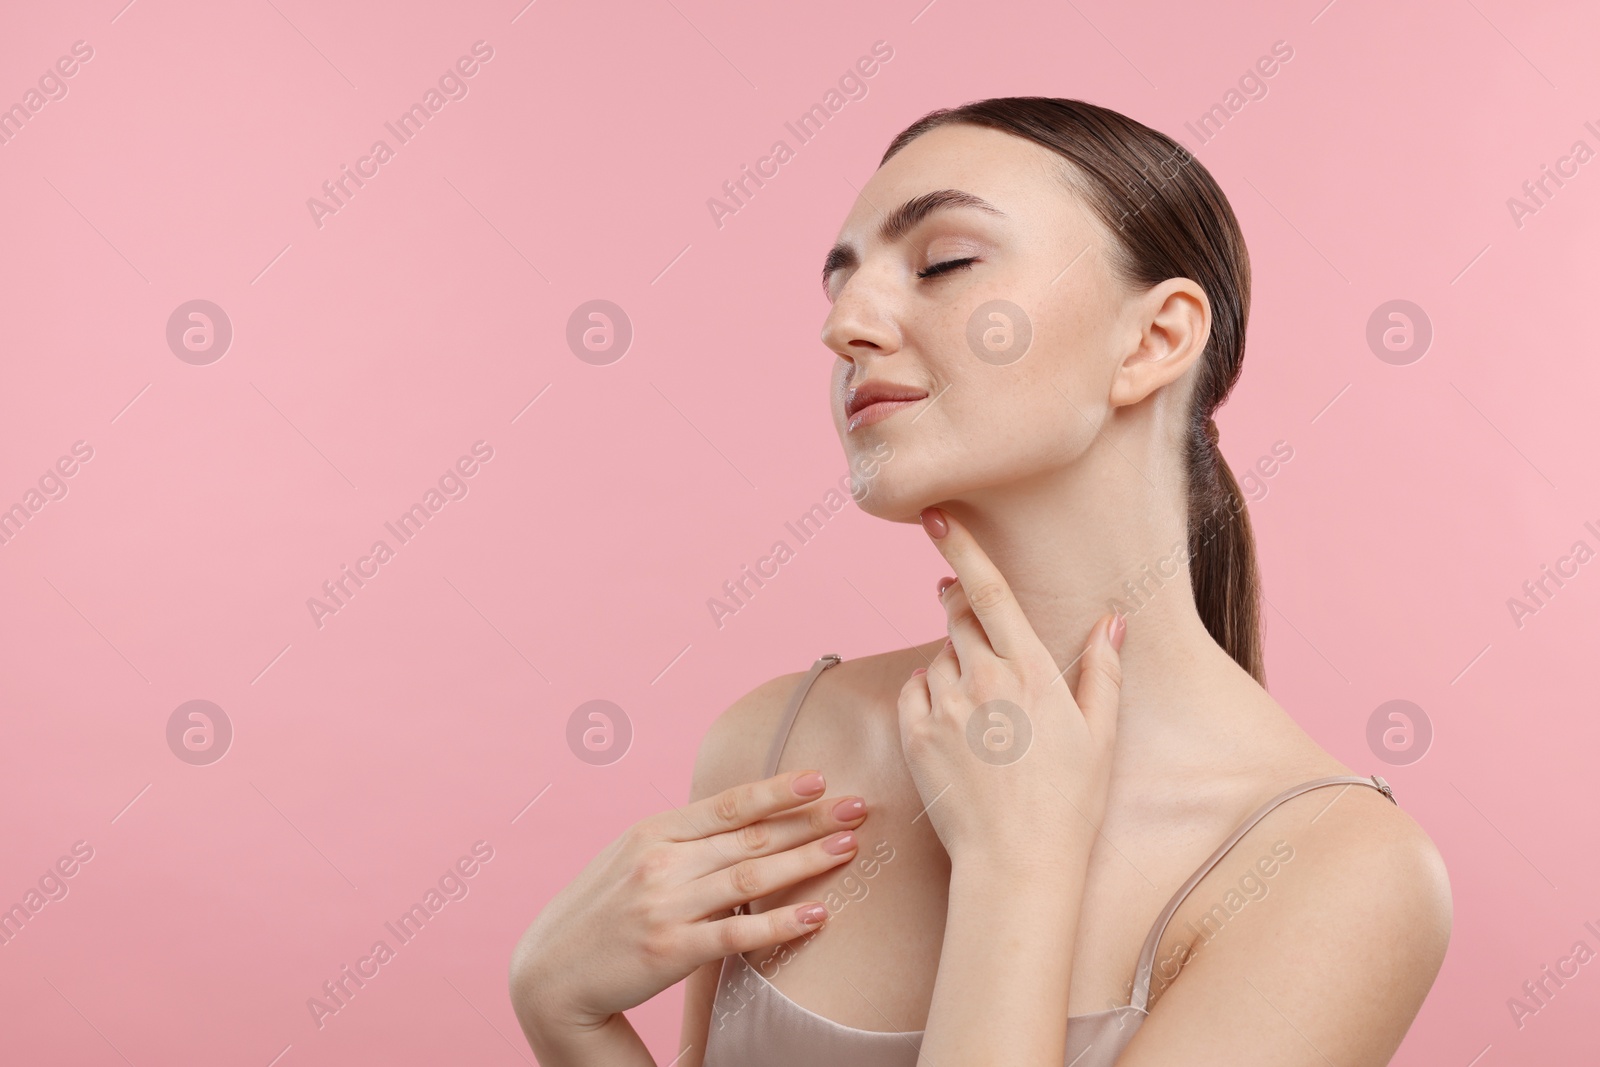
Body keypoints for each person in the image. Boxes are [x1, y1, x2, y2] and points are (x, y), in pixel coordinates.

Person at [508, 96, 1452, 1066]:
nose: (845, 325)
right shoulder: (779, 748)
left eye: (944, 262)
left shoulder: (1336, 870)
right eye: (839, 283)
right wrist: (568, 1020)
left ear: (1155, 338)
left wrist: (1016, 870)